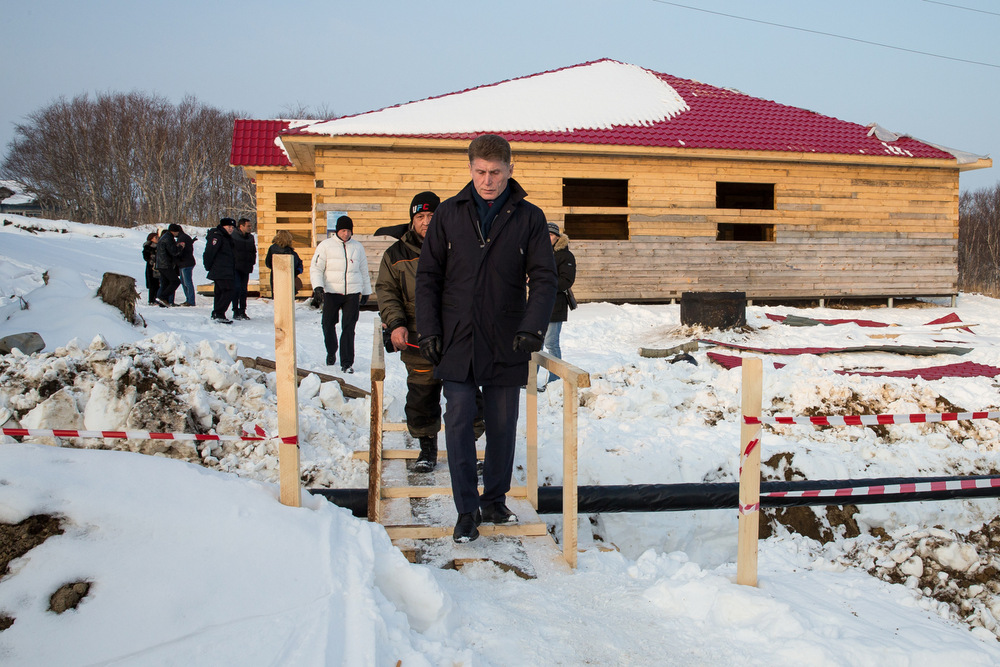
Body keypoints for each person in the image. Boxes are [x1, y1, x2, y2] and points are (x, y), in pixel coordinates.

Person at [416, 134, 557, 543]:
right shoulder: (448, 214)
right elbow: (428, 277)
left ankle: (494, 499)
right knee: (458, 418)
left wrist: (532, 327)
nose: (488, 181)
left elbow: (545, 278)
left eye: (496, 173)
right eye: (480, 172)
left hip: (506, 337)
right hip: (456, 337)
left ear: (510, 170)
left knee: (501, 423)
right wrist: (429, 329)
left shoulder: (529, 217)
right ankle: (466, 510)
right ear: (470, 169)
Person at [377, 192, 487, 473]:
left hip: (457, 336)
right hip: (417, 338)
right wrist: (397, 323)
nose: (426, 222)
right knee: (422, 395)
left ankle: (466, 448)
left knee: (465, 395)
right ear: (412, 220)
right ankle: (427, 448)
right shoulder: (396, 255)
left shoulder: (459, 245)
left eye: (432, 216)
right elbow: (388, 293)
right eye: (420, 217)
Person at [310, 215, 372, 373]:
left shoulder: (357, 247)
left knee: (349, 327)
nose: (346, 234)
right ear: (337, 230)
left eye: (348, 230)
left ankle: (347, 362)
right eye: (343, 230)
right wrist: (318, 287)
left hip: (352, 293)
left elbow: (364, 270)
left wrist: (366, 291)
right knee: (328, 324)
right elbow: (316, 268)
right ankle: (331, 351)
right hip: (331, 292)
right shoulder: (325, 246)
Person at [539, 222, 577, 390]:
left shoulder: (566, 256)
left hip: (555, 305)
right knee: (535, 343)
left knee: (551, 343)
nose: (548, 238)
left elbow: (566, 281)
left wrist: (545, 283)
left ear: (557, 238)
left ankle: (555, 381)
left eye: (551, 235)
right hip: (537, 305)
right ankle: (530, 379)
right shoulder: (539, 253)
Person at [203, 217, 237, 324]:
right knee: (228, 291)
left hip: (226, 269)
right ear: (223, 226)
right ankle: (219, 312)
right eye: (229, 227)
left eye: (232, 227)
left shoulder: (226, 237)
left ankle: (217, 313)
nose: (231, 229)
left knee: (220, 292)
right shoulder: (217, 236)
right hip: (220, 269)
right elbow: (209, 252)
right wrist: (209, 266)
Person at [154, 223, 186, 306]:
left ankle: (163, 302)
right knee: (176, 281)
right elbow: (173, 252)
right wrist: (180, 247)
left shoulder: (164, 237)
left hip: (160, 264)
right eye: (177, 232)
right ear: (174, 231)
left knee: (165, 283)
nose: (178, 233)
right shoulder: (168, 238)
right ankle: (162, 297)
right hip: (166, 264)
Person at [264, 229, 304, 294]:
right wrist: (297, 271)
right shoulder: (291, 252)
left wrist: (276, 268)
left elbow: (268, 263)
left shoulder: (272, 249)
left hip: (275, 276)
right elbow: (298, 264)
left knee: (276, 297)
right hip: (289, 277)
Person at [232, 217, 256, 320]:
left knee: (243, 290)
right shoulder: (233, 236)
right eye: (248, 226)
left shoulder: (250, 238)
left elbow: (253, 251)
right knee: (236, 288)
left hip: (246, 266)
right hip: (236, 266)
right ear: (241, 226)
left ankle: (242, 310)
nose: (250, 228)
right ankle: (235, 310)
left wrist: (252, 262)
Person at [176, 225, 197, 307]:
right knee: (185, 282)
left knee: (187, 282)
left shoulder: (182, 238)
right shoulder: (184, 237)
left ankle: (191, 300)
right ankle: (189, 299)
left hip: (185, 262)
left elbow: (181, 250)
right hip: (185, 262)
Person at [141, 232, 160, 305]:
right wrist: (151, 260)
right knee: (152, 284)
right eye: (156, 238)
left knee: (157, 283)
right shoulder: (148, 246)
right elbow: (146, 257)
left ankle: (156, 298)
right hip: (151, 267)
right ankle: (151, 300)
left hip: (157, 266)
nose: (157, 239)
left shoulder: (158, 246)